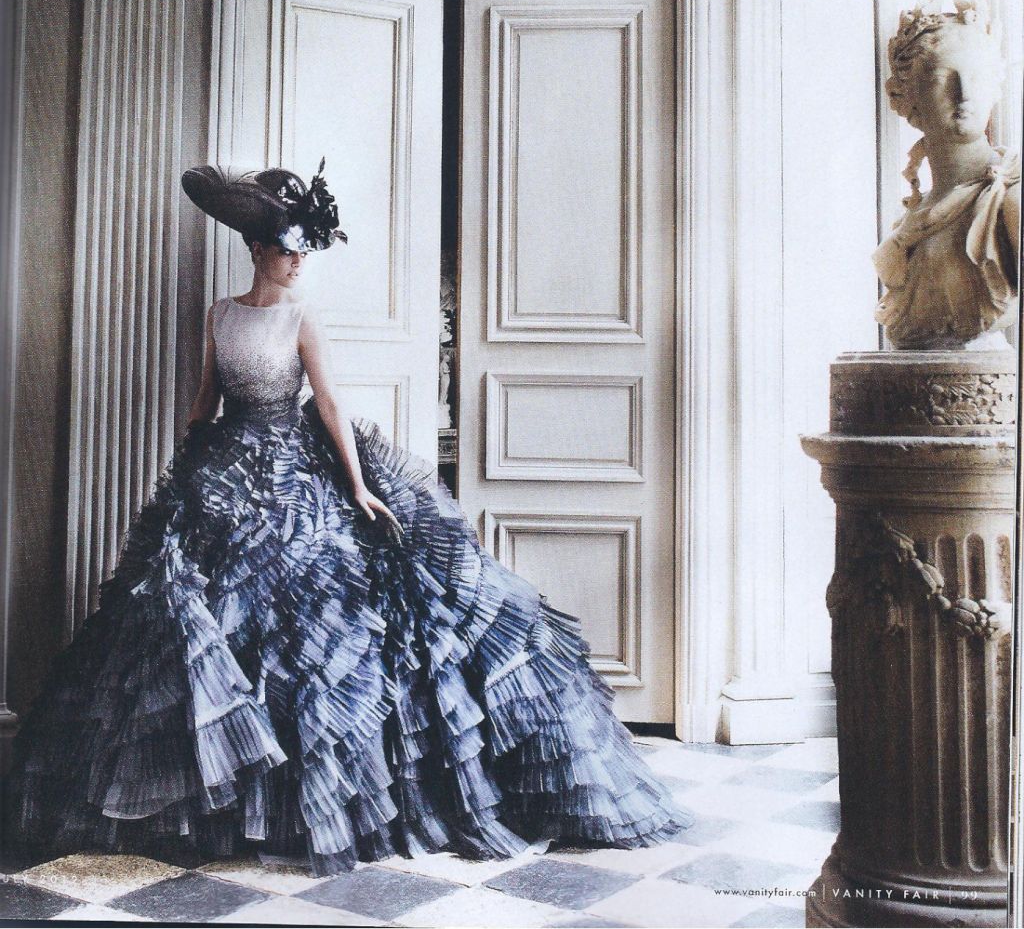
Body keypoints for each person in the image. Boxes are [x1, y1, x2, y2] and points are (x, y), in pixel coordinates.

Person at [5, 160, 689, 876]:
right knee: (193, 617)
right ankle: (223, 795)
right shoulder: (221, 313)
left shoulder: (300, 317)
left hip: (294, 468)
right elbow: (205, 395)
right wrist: (189, 463)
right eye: (287, 250)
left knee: (312, 630)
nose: (298, 262)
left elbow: (328, 402)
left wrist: (358, 486)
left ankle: (310, 795)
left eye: (303, 250)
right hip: (224, 468)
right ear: (257, 250)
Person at [874, 0, 1020, 349]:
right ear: (904, 96)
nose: (964, 94)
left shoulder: (1009, 199)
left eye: (978, 77)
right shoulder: (909, 223)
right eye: (943, 78)